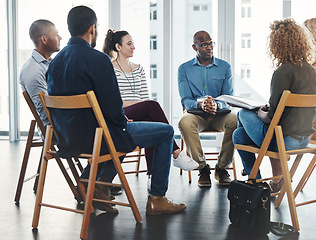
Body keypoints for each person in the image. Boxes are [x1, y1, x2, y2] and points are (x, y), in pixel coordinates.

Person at [46, 5, 186, 215]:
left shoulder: (54, 63)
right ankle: (157, 198)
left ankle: (95, 185)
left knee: (118, 132)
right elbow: (113, 107)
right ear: (92, 28)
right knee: (164, 132)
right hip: (98, 138)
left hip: (67, 138)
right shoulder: (98, 59)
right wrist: (122, 121)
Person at [232, 18, 316, 193]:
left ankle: (256, 183)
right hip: (304, 140)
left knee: (242, 114)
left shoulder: (282, 72)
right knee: (238, 135)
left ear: (277, 45)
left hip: (283, 142)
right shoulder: (313, 71)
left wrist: (261, 113)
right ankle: (257, 180)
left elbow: (271, 117)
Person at [102, 29, 198, 173]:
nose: (133, 46)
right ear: (118, 47)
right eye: (129, 44)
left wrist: (141, 105)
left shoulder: (139, 69)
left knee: (152, 121)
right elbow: (115, 102)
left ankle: (151, 176)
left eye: (133, 43)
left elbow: (144, 98)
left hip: (140, 111)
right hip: (122, 113)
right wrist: (139, 105)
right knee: (152, 106)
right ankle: (177, 152)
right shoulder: (109, 68)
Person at [178, 30, 237, 187]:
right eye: (203, 44)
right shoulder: (184, 69)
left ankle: (222, 168)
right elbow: (185, 100)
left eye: (211, 43)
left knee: (236, 120)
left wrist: (216, 105)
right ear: (194, 47)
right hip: (196, 114)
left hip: (220, 114)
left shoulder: (225, 67)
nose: (209, 47)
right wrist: (200, 104)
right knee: (184, 122)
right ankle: (202, 168)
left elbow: (228, 97)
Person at [20, 19, 62, 130]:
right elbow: (45, 113)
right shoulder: (33, 70)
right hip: (55, 129)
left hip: (63, 123)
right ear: (44, 39)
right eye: (56, 34)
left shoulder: (50, 64)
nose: (60, 38)